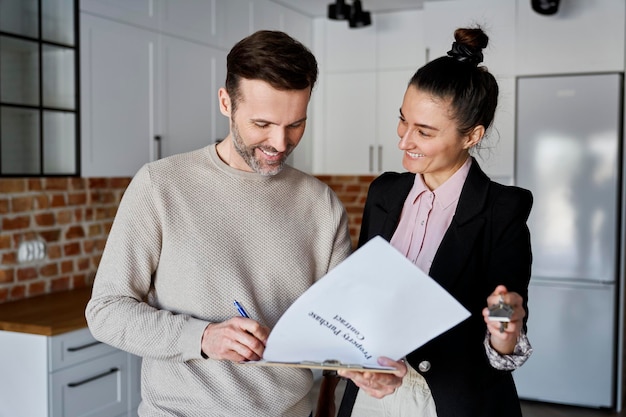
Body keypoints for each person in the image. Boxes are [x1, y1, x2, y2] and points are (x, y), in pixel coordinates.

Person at [85, 30, 405, 417]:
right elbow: (105, 311)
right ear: (225, 102)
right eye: (262, 124)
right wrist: (202, 337)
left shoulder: (321, 204)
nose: (280, 142)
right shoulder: (161, 185)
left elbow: (337, 329)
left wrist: (362, 365)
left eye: (295, 124)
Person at [337, 27, 533, 417]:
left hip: (449, 401)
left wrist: (505, 333)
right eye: (402, 121)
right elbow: (363, 297)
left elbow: (505, 329)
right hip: (370, 393)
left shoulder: (502, 208)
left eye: (424, 132)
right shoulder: (385, 193)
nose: (403, 141)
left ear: (471, 136)